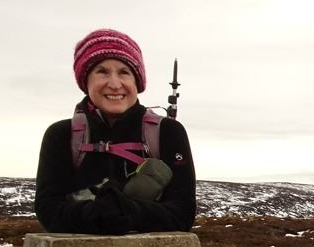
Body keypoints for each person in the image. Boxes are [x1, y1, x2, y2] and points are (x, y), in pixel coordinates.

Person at [34, 29, 196, 235]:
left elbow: (182, 213)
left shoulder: (168, 132)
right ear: (86, 81)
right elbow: (48, 210)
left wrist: (130, 212)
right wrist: (94, 215)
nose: (114, 84)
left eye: (124, 72)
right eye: (102, 71)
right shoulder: (61, 135)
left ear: (136, 81)